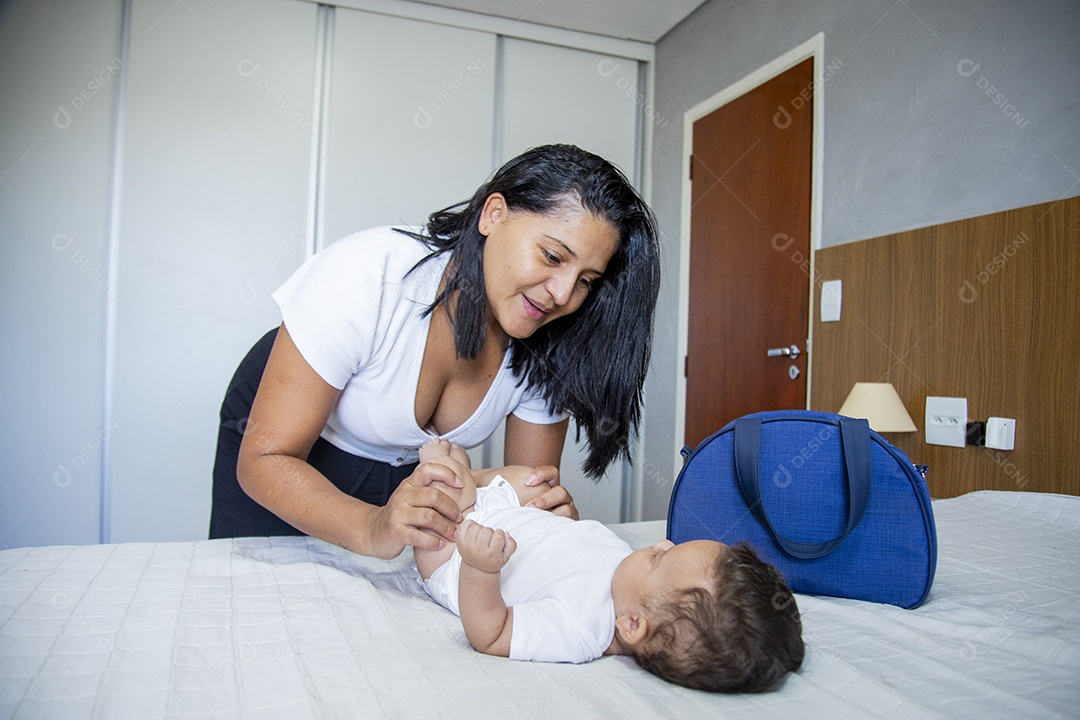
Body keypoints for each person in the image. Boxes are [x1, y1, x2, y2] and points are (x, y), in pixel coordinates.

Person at [210, 144, 662, 561]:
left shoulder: (554, 339)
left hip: (399, 469)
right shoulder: (366, 276)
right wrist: (371, 527)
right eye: (551, 256)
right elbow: (265, 461)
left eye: (586, 280)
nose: (563, 294)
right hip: (284, 452)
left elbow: (525, 491)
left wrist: (544, 519)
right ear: (493, 214)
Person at [414, 439, 805, 693]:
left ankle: (452, 472)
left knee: (438, 489)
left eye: (660, 558)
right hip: (502, 518)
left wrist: (480, 567)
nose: (662, 542)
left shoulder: (581, 629)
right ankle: (471, 481)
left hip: (455, 555)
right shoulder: (625, 575)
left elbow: (491, 634)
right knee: (534, 483)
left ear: (632, 626)